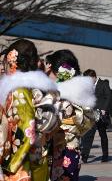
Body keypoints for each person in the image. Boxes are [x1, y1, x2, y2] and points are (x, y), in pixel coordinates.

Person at [0, 39, 59, 180]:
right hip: (37, 157)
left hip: (19, 164)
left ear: (12, 62)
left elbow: (26, 127)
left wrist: (6, 159)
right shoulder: (37, 87)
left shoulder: (18, 89)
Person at [45, 50, 95, 180]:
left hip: (66, 146)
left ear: (61, 72)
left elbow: (87, 121)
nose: (47, 73)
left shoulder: (75, 94)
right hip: (53, 147)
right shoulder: (53, 90)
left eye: (50, 69)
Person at [81, 69, 111, 163]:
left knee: (103, 135)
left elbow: (108, 97)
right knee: (88, 135)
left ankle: (105, 155)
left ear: (94, 77)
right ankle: (85, 155)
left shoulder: (103, 84)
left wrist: (104, 109)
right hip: (90, 113)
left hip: (101, 114)